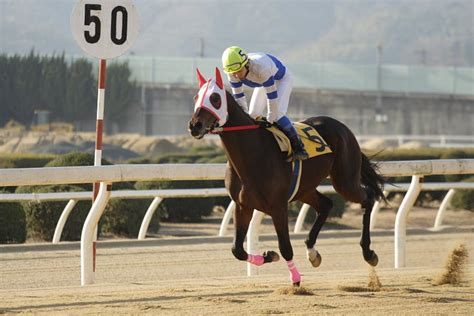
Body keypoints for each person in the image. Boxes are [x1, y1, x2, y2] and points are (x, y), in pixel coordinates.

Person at [221, 46, 309, 160]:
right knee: (253, 114)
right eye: (233, 73)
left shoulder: (261, 68)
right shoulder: (232, 72)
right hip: (263, 83)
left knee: (277, 115)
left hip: (281, 80)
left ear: (246, 64)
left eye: (238, 71)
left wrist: (270, 118)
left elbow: (272, 97)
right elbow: (239, 98)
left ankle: (299, 148)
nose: (236, 75)